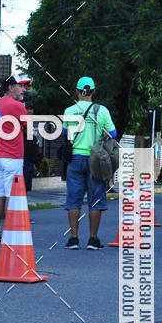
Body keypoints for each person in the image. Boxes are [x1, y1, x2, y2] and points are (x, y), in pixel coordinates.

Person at [62, 76, 116, 250]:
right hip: (96, 159)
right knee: (95, 200)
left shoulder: (70, 110)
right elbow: (113, 133)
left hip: (75, 158)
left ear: (77, 91)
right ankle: (93, 239)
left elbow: (65, 131)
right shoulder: (102, 111)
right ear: (93, 91)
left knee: (74, 199)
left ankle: (73, 239)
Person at [0, 76, 28, 244]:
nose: (23, 90)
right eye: (20, 87)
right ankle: (8, 235)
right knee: (11, 196)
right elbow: (27, 129)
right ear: (11, 88)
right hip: (13, 157)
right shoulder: (19, 106)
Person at [21, 90, 40, 192]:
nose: (30, 111)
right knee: (25, 182)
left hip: (31, 157)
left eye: (31, 109)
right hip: (24, 156)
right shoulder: (21, 121)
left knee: (28, 183)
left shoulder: (31, 121)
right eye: (27, 109)